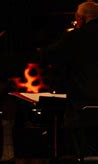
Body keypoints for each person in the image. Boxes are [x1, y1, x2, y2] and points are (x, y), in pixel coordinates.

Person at [39, 1, 98, 156]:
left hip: (82, 109)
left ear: (81, 17)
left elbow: (46, 56)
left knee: (81, 157)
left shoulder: (75, 36)